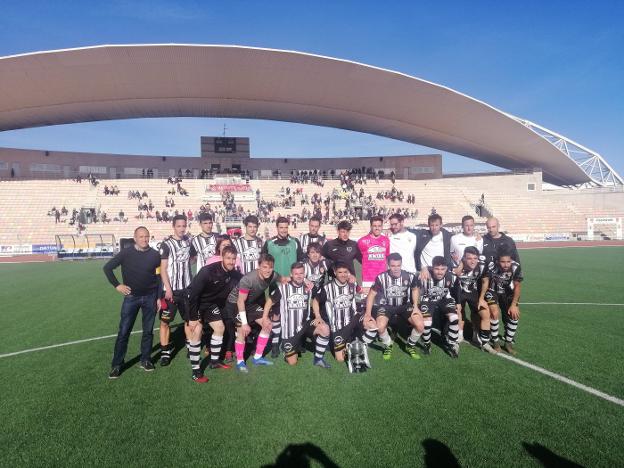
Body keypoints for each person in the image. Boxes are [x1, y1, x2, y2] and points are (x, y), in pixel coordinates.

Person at [103, 227, 161, 379]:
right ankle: (116, 365)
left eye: (147, 236)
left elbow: (158, 278)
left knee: (148, 332)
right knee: (124, 332)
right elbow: (107, 268)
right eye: (141, 237)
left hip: (150, 297)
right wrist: (117, 285)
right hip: (131, 298)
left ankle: (146, 360)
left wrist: (158, 297)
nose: (144, 239)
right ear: (135, 238)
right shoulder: (126, 253)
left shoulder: (155, 255)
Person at [264, 262, 331, 368]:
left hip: (306, 324)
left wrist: (318, 316)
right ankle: (291, 350)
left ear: (304, 274)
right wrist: (264, 318)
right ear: (291, 274)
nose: (299, 276)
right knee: (292, 362)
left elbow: (316, 299)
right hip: (289, 331)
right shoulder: (283, 288)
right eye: (296, 274)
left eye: (301, 273)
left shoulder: (308, 287)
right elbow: (269, 302)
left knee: (325, 328)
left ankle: (318, 359)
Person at [187, 246, 242, 373]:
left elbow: (246, 279)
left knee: (219, 328)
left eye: (234, 259)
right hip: (195, 301)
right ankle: (196, 371)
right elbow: (193, 294)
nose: (231, 262)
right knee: (197, 330)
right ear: (222, 257)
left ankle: (214, 362)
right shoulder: (207, 271)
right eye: (228, 258)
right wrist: (193, 318)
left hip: (210, 304)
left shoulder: (234, 273)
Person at [226, 254, 282, 372]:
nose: (268, 270)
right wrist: (245, 323)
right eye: (265, 267)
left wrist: (306, 280)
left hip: (250, 304)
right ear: (259, 266)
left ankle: (257, 357)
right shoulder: (248, 279)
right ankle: (240, 361)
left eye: (270, 267)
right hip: (235, 304)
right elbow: (240, 301)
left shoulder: (273, 274)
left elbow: (284, 279)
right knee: (242, 330)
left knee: (268, 325)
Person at [312, 262, 378, 364]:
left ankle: (359, 346)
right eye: (340, 272)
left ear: (349, 273)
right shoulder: (327, 288)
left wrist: (367, 312)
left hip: (353, 319)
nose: (343, 275)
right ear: (334, 272)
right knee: (340, 359)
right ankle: (351, 346)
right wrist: (318, 316)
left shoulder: (352, 284)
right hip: (337, 326)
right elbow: (315, 301)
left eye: (345, 272)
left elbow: (359, 291)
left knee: (372, 325)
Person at [364, 253, 422, 361]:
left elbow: (415, 289)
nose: (395, 269)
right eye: (393, 266)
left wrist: (415, 306)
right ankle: (388, 344)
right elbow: (371, 295)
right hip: (387, 306)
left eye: (398, 265)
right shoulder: (381, 278)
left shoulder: (409, 276)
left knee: (420, 325)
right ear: (388, 265)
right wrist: (367, 314)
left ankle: (410, 345)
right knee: (380, 327)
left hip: (405, 305)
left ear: (401, 264)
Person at [158, 215, 197, 369]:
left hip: (186, 288)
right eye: (179, 226)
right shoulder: (166, 244)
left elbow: (193, 257)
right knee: (165, 321)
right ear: (173, 226)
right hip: (171, 291)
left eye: (184, 226)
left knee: (189, 320)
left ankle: (190, 346)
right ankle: (165, 352)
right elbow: (163, 269)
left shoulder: (188, 241)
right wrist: (168, 288)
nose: (182, 229)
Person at [480, 247, 523, 355]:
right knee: (494, 313)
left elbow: (517, 287)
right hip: (492, 290)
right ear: (497, 261)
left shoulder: (516, 267)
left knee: (514, 315)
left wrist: (514, 305)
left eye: (508, 261)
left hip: (508, 292)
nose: (506, 264)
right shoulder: (491, 265)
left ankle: (508, 343)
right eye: (503, 262)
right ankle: (495, 341)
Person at [415, 256, 459, 358]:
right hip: (427, 299)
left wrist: (459, 304)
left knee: (454, 318)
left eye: (443, 269)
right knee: (427, 322)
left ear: (447, 268)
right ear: (432, 267)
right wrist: (416, 304)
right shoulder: (423, 275)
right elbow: (415, 289)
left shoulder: (452, 276)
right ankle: (427, 343)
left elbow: (457, 289)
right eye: (437, 269)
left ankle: (452, 344)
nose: (440, 272)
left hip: (444, 299)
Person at [453, 247, 495, 353]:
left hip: (473, 292)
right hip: (459, 292)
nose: (472, 261)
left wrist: (481, 299)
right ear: (464, 258)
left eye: (475, 258)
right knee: (459, 312)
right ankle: (460, 335)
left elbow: (485, 281)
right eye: (469, 258)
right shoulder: (456, 265)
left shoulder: (481, 266)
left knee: (484, 313)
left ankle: (480, 339)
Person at [410, 214, 453, 281]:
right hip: (425, 272)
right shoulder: (422, 235)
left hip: (440, 271)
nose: (434, 228)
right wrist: (421, 267)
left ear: (441, 225)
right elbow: (407, 231)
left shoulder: (447, 236)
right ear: (429, 225)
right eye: (432, 225)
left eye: (436, 225)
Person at [357, 216, 390, 291]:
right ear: (371, 226)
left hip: (382, 278)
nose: (377, 228)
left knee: (382, 302)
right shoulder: (362, 241)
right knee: (367, 302)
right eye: (374, 226)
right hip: (367, 279)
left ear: (382, 227)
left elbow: (387, 257)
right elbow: (358, 258)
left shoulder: (386, 240)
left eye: (379, 226)